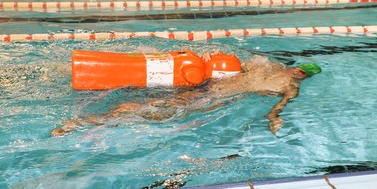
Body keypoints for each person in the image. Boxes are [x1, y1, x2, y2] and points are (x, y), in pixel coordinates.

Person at [50, 55, 321, 136]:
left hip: (206, 84)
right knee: (157, 111)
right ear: (303, 75)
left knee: (156, 103)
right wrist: (275, 121)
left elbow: (234, 63)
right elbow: (276, 109)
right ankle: (84, 123)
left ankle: (89, 120)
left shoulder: (266, 63)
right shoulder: (292, 87)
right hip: (215, 98)